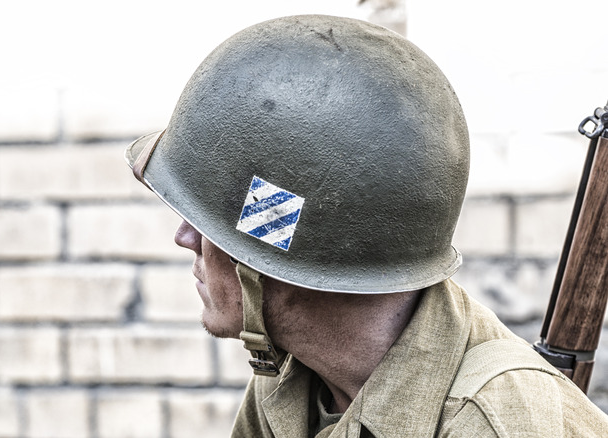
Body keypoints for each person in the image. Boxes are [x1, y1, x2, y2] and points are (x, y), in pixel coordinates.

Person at [125, 15, 608, 437]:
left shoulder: (493, 423)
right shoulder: (293, 383)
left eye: (207, 220)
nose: (184, 237)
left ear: (273, 248)